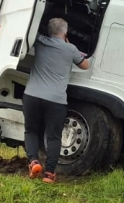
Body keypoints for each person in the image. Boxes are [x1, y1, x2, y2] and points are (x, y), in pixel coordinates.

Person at [23, 18, 89, 183]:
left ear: (49, 30)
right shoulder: (71, 49)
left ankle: (34, 162)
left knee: (31, 131)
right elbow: (85, 65)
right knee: (53, 137)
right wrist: (69, 46)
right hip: (56, 101)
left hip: (32, 96)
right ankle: (49, 174)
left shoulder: (40, 41)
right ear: (65, 32)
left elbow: (28, 33)